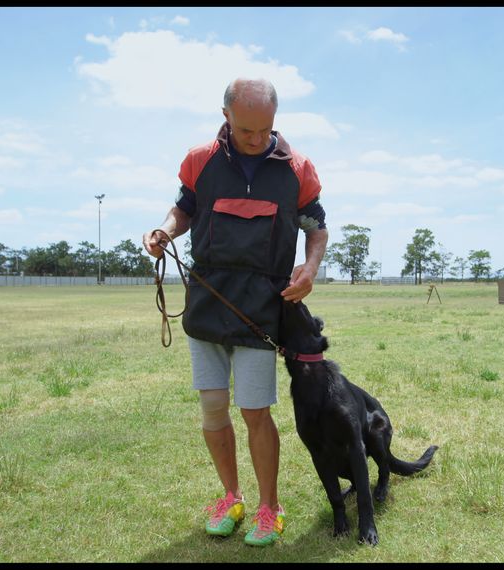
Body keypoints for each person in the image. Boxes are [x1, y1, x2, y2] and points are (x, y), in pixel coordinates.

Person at [142, 77, 328, 547]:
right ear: (226, 116)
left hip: (261, 306)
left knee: (254, 410)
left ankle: (270, 507)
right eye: (247, 130)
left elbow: (317, 229)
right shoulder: (201, 161)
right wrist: (165, 231)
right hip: (208, 298)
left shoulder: (296, 169)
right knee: (212, 406)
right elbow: (184, 209)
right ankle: (231, 497)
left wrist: (309, 268)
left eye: (266, 130)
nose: (257, 139)